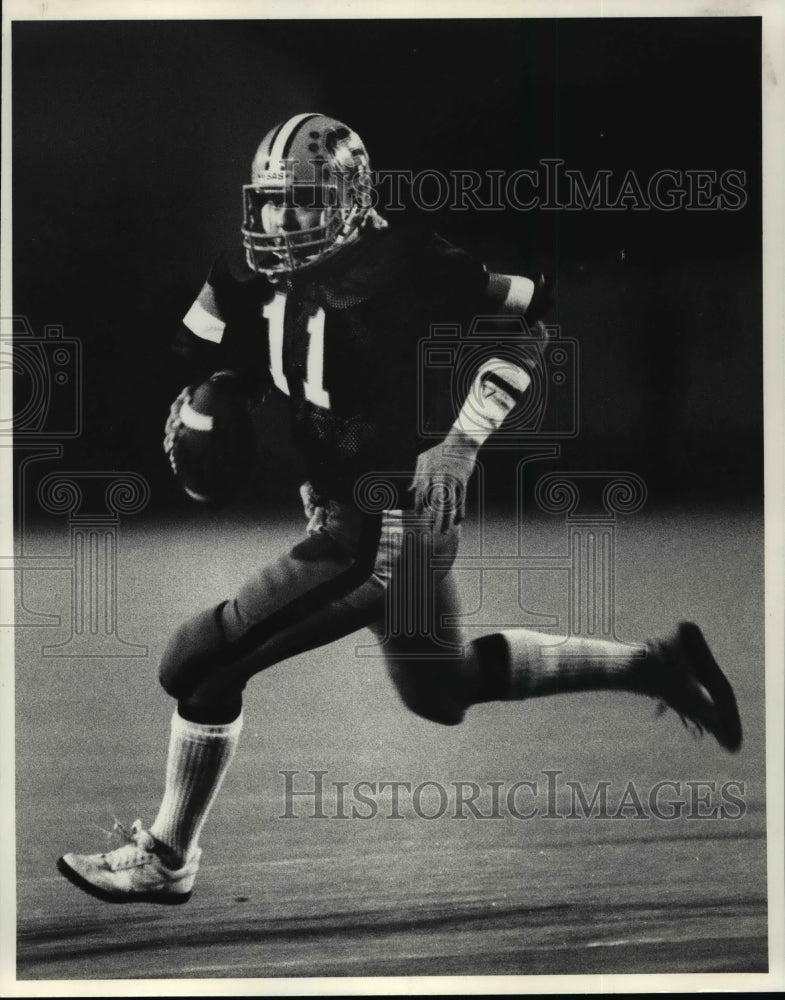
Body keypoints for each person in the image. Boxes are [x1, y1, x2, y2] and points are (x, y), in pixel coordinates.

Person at [56, 113, 742, 905]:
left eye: (304, 201)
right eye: (271, 202)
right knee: (439, 687)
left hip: (386, 529)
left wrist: (460, 440)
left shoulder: (411, 264)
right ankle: (654, 663)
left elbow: (529, 320)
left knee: (197, 660)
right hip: (364, 519)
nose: (281, 220)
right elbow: (243, 366)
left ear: (350, 199)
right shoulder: (246, 281)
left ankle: (168, 857)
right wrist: (226, 407)